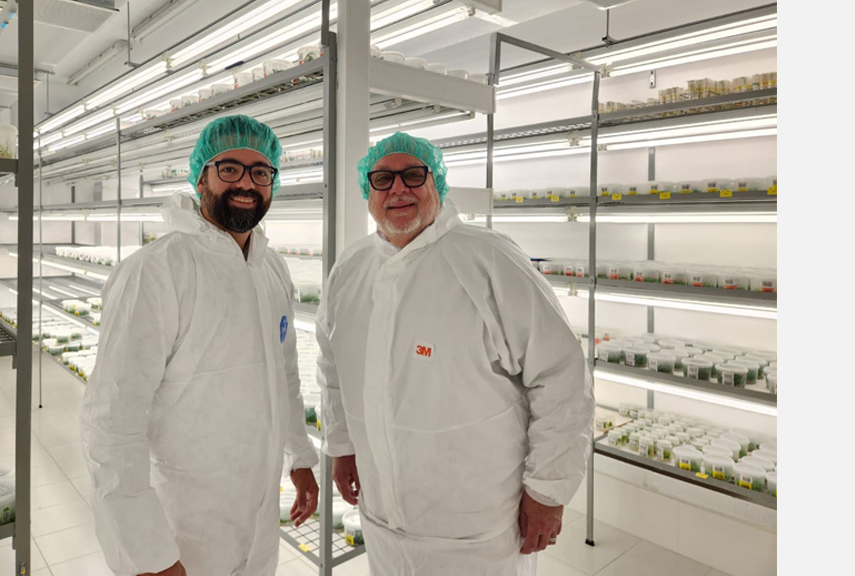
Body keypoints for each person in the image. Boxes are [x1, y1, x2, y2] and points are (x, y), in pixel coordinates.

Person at [316, 132, 594, 575]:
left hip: (478, 528)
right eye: (383, 179)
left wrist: (548, 490)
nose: (398, 189)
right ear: (367, 192)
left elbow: (561, 376)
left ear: (437, 185)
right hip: (384, 517)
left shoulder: (489, 259)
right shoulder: (349, 270)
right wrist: (343, 446)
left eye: (413, 175)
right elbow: (333, 368)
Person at [80, 115, 320, 576]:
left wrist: (299, 457)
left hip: (259, 519)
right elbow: (111, 420)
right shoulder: (156, 271)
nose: (246, 183)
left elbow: (284, 378)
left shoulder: (272, 270)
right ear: (200, 177)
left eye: (260, 171)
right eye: (229, 168)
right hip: (183, 527)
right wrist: (148, 553)